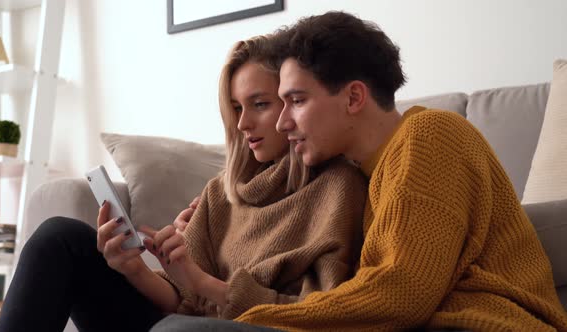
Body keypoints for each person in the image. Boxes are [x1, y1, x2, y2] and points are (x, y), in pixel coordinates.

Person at [0, 35, 367, 332]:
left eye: (259, 104)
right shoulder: (222, 193)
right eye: (237, 108)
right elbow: (181, 301)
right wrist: (134, 267)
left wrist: (205, 283)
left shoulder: (338, 188)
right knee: (59, 238)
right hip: (179, 323)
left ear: (293, 104)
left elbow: (322, 314)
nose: (243, 125)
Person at [229, 11, 567, 331]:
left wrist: (254, 323)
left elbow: (401, 291)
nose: (282, 121)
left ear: (353, 98)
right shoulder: (366, 175)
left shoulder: (430, 134)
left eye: (297, 101)